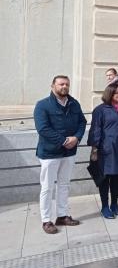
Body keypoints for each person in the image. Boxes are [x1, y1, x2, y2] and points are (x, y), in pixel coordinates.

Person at [34, 75, 86, 234]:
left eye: (67, 84)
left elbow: (82, 122)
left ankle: (62, 216)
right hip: (50, 153)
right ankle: (46, 220)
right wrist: (64, 140)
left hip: (69, 152)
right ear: (53, 86)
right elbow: (43, 129)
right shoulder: (42, 105)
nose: (64, 86)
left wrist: (77, 138)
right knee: (47, 187)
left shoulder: (74, 103)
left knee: (64, 185)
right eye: (61, 84)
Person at [88, 84, 118, 219]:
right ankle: (105, 207)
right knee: (105, 179)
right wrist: (94, 149)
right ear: (109, 94)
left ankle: (114, 204)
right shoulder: (101, 110)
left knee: (116, 178)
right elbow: (95, 129)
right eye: (116, 93)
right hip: (106, 149)